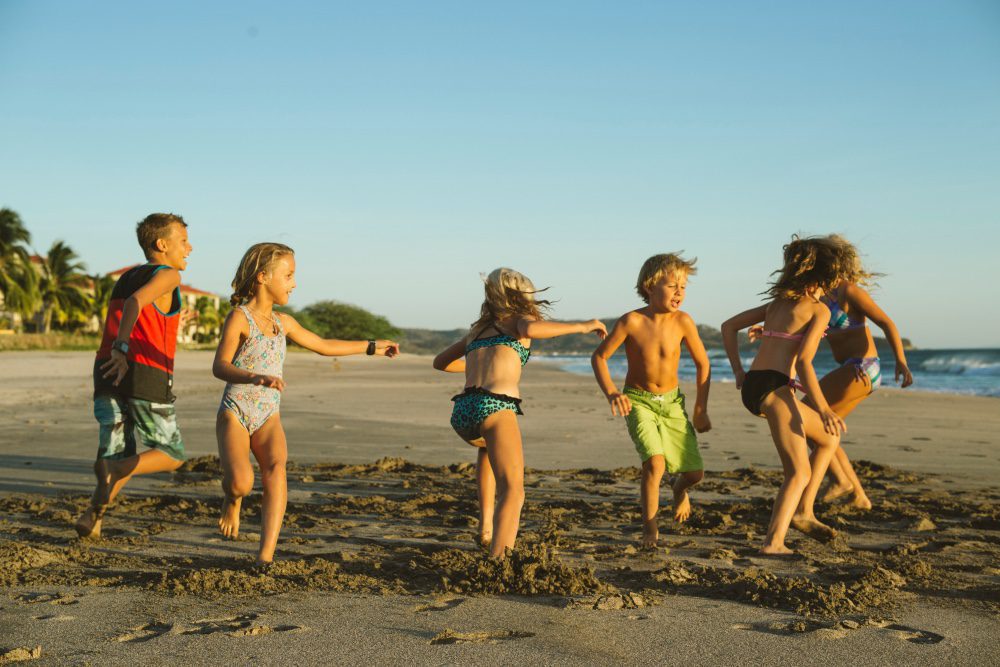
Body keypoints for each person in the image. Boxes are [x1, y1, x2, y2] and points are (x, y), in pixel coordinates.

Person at [213, 242, 399, 567]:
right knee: (242, 482)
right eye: (288, 275)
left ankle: (264, 556)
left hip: (269, 415)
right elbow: (221, 366)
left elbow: (324, 345)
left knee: (276, 469)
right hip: (236, 410)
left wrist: (370, 347)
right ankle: (233, 500)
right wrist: (254, 377)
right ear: (262, 276)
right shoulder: (239, 318)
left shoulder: (283, 323)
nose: (294, 283)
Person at [433, 268, 606, 557]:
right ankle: (499, 558)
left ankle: (486, 526)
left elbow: (440, 362)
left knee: (488, 450)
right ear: (523, 296)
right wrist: (583, 326)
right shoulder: (518, 322)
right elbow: (531, 330)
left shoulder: (477, 331)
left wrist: (479, 364)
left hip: (464, 411)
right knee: (514, 490)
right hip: (495, 406)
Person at [721, 235, 847, 555]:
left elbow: (728, 326)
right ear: (821, 279)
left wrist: (738, 370)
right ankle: (773, 543)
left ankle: (804, 512)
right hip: (776, 389)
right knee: (799, 471)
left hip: (754, 384)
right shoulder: (818, 311)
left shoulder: (776, 303)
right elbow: (804, 362)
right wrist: (825, 408)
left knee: (828, 440)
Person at [75, 213, 195, 539]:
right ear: (162, 244)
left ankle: (93, 517)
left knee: (117, 453)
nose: (190, 248)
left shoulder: (125, 276)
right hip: (141, 370)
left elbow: (140, 310)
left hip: (106, 371)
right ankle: (113, 471)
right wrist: (123, 347)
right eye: (183, 241)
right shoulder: (167, 275)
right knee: (171, 454)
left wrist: (173, 321)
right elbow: (136, 303)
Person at [591, 253, 711, 547]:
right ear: (650, 286)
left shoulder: (683, 321)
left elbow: (703, 364)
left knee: (694, 473)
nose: (679, 293)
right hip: (638, 401)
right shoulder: (631, 321)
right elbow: (599, 356)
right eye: (673, 286)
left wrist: (700, 408)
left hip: (672, 403)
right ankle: (650, 530)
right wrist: (612, 392)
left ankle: (679, 489)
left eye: (683, 287)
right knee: (655, 464)